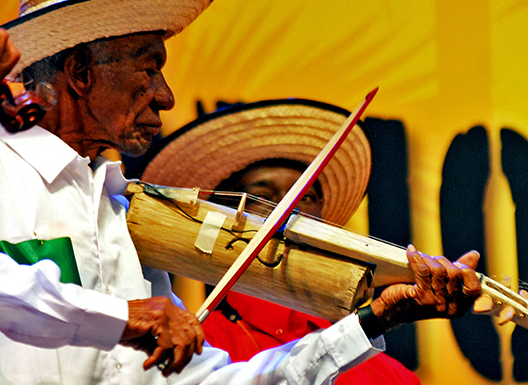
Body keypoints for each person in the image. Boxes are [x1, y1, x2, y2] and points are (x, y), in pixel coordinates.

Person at [0, 0, 483, 384]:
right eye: (149, 68)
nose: (165, 96)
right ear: (81, 74)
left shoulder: (123, 215)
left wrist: (374, 318)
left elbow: (212, 381)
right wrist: (125, 318)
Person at [139, 99, 423, 384]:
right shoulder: (192, 349)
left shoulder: (392, 376)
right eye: (261, 197)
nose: (290, 210)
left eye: (306, 197)